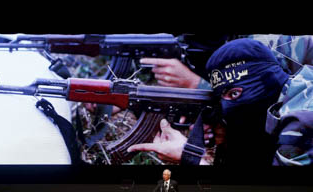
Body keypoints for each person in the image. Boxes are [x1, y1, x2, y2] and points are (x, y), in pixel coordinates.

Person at [128, 37, 313, 166]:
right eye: (221, 97)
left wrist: (190, 158)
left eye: (234, 94)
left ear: (268, 79)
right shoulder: (293, 89)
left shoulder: (301, 120)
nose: (227, 106)